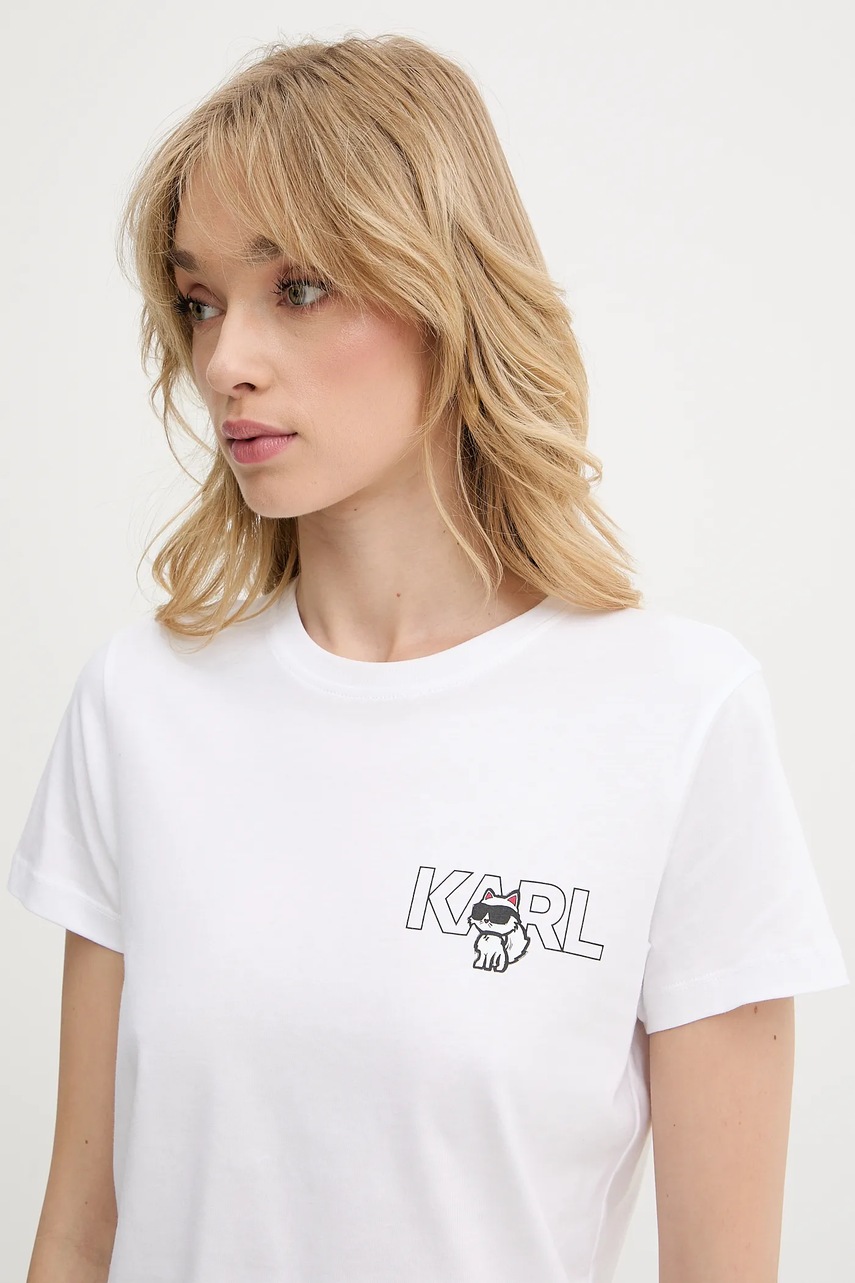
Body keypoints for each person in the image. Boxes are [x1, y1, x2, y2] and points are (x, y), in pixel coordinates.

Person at [6, 31, 848, 1283]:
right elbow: (81, 1231)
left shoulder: (677, 716)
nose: (226, 359)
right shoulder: (140, 704)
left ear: (445, 293)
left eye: (297, 287)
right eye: (199, 300)